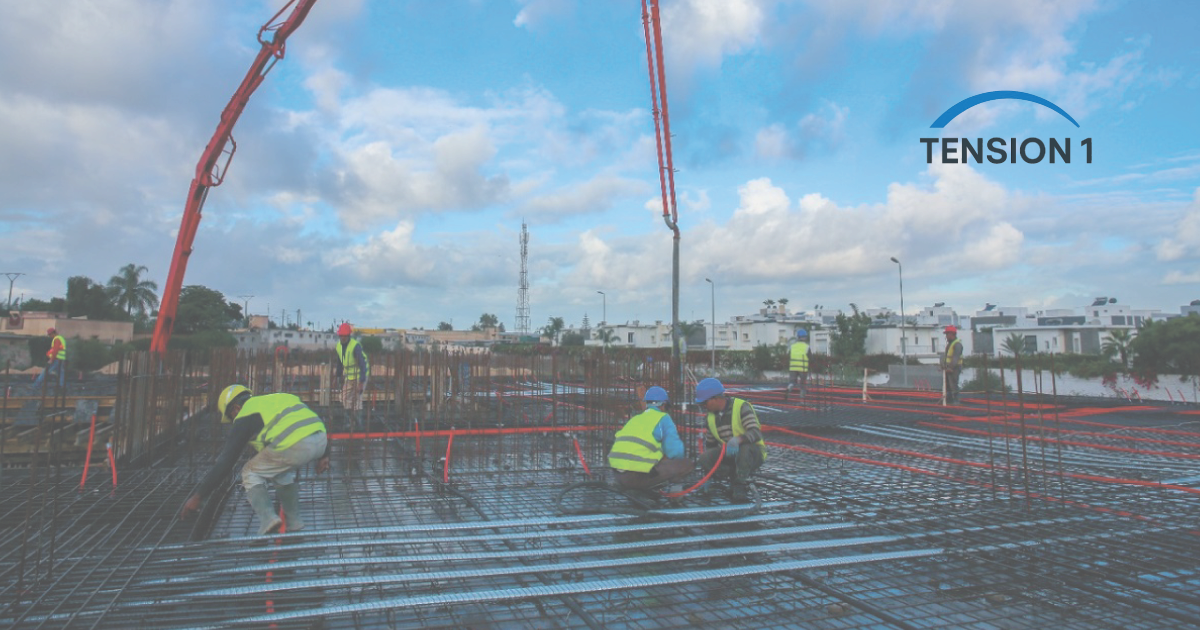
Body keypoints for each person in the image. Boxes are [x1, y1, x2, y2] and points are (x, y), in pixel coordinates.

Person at [180, 385, 330, 535]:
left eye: (232, 417)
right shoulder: (277, 399)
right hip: (321, 440)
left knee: (249, 471)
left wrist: (198, 496)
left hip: (293, 446)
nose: (234, 422)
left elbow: (226, 462)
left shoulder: (245, 414)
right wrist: (324, 455)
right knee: (279, 471)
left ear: (236, 408)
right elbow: (310, 422)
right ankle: (295, 523)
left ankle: (268, 519)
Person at [607, 386, 694, 491]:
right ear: (663, 405)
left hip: (617, 475)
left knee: (657, 459)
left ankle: (647, 489)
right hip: (634, 478)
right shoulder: (663, 418)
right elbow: (676, 452)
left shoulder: (635, 419)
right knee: (686, 464)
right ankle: (674, 492)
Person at [694, 378, 766, 502]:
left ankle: (740, 484)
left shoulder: (741, 407)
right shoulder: (710, 417)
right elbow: (710, 445)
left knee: (744, 449)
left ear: (716, 399)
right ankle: (732, 475)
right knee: (705, 457)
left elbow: (755, 432)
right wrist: (709, 474)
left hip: (753, 453)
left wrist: (738, 440)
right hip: (730, 454)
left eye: (705, 403)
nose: (703, 406)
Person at [334, 323, 370, 428]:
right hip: (349, 376)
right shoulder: (338, 346)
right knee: (343, 397)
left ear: (349, 336)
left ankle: (359, 424)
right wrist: (338, 375)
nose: (342, 338)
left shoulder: (355, 346)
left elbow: (363, 365)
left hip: (360, 375)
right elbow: (340, 362)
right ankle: (350, 421)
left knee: (357, 399)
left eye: (344, 336)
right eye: (341, 335)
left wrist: (361, 382)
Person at [940, 325, 964, 403]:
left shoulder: (957, 345)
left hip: (955, 368)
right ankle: (949, 400)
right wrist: (944, 366)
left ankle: (956, 401)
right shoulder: (950, 344)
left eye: (947, 334)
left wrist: (950, 368)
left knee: (953, 384)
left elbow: (955, 358)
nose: (946, 336)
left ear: (952, 334)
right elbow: (946, 356)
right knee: (947, 385)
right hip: (948, 368)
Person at [787, 329, 812, 398]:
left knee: (792, 381)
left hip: (793, 368)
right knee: (803, 383)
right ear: (805, 337)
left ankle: (790, 387)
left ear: (798, 337)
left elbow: (789, 356)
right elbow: (810, 357)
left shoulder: (792, 346)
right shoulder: (806, 347)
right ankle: (802, 396)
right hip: (802, 368)